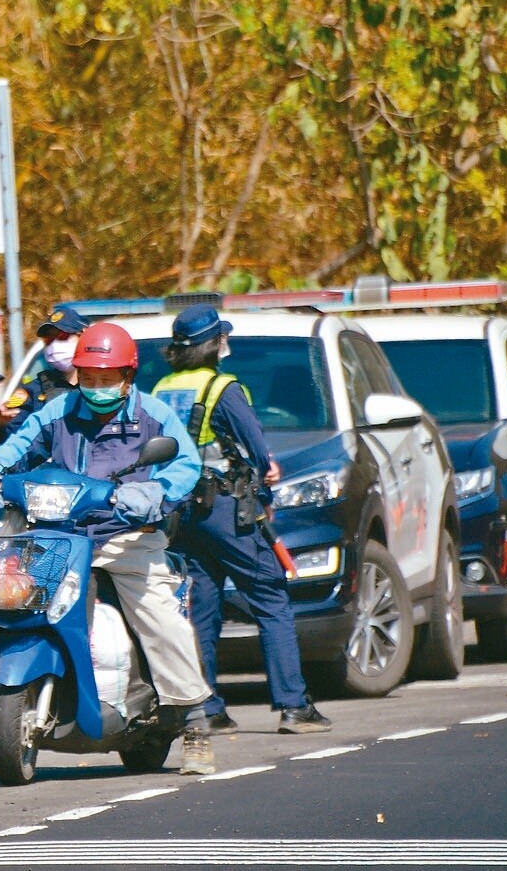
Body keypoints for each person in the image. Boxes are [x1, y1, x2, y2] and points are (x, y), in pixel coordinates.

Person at [0, 321, 220, 776]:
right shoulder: (57, 410)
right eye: (90, 377)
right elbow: (17, 447)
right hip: (55, 534)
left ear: (127, 376)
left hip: (125, 537)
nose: (98, 387)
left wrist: (156, 492)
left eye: (108, 378)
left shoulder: (155, 415)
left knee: (158, 614)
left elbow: (185, 464)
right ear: (77, 375)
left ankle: (194, 718)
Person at [150, 305, 331, 735]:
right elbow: (257, 448)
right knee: (270, 596)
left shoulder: (161, 388)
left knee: (203, 609)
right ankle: (294, 706)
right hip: (226, 509)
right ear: (215, 344)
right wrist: (266, 481)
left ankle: (209, 708)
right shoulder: (223, 388)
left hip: (182, 513)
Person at [0, 303, 89, 443]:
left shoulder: (103, 384)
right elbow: (12, 443)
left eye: (63, 337)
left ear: (83, 337)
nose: (55, 345)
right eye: (49, 340)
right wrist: (0, 425)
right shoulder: (34, 391)